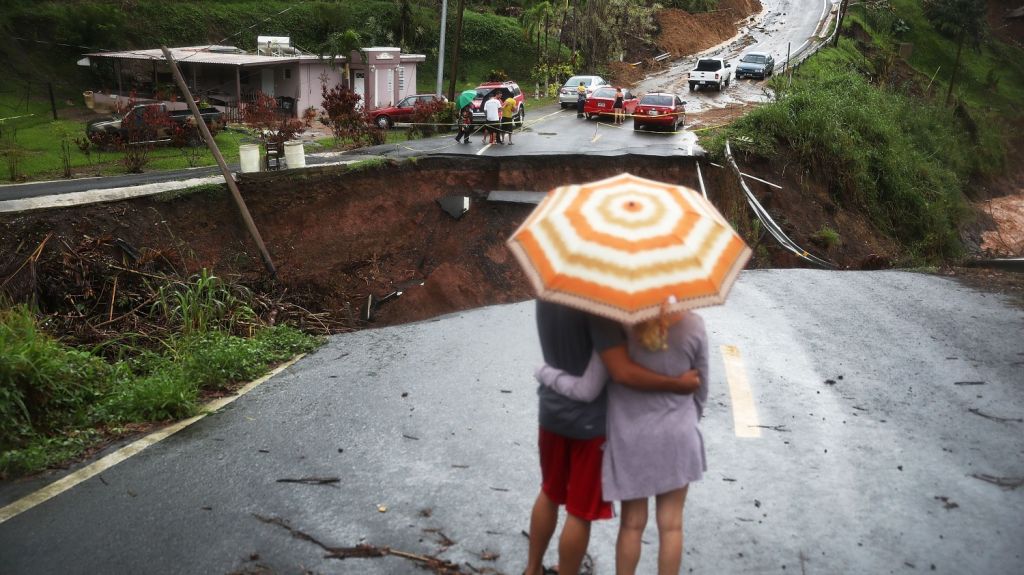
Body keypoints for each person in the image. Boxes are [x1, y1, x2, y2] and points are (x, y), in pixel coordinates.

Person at [525, 300, 701, 575]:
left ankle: (531, 569)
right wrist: (678, 386)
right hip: (590, 424)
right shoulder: (601, 310)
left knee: (549, 492)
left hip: (551, 412)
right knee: (579, 512)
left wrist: (546, 373)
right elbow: (620, 372)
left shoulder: (548, 293)